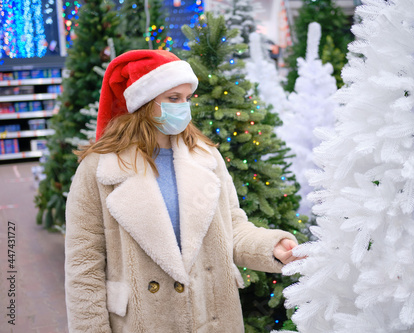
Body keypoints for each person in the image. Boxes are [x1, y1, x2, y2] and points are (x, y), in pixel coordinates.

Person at [64, 49, 301, 333]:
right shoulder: (100, 170)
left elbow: (233, 227)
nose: (183, 107)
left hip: (210, 316)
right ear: (144, 103)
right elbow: (84, 268)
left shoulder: (206, 157)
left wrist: (271, 246)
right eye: (173, 99)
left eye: (187, 98)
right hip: (142, 322)